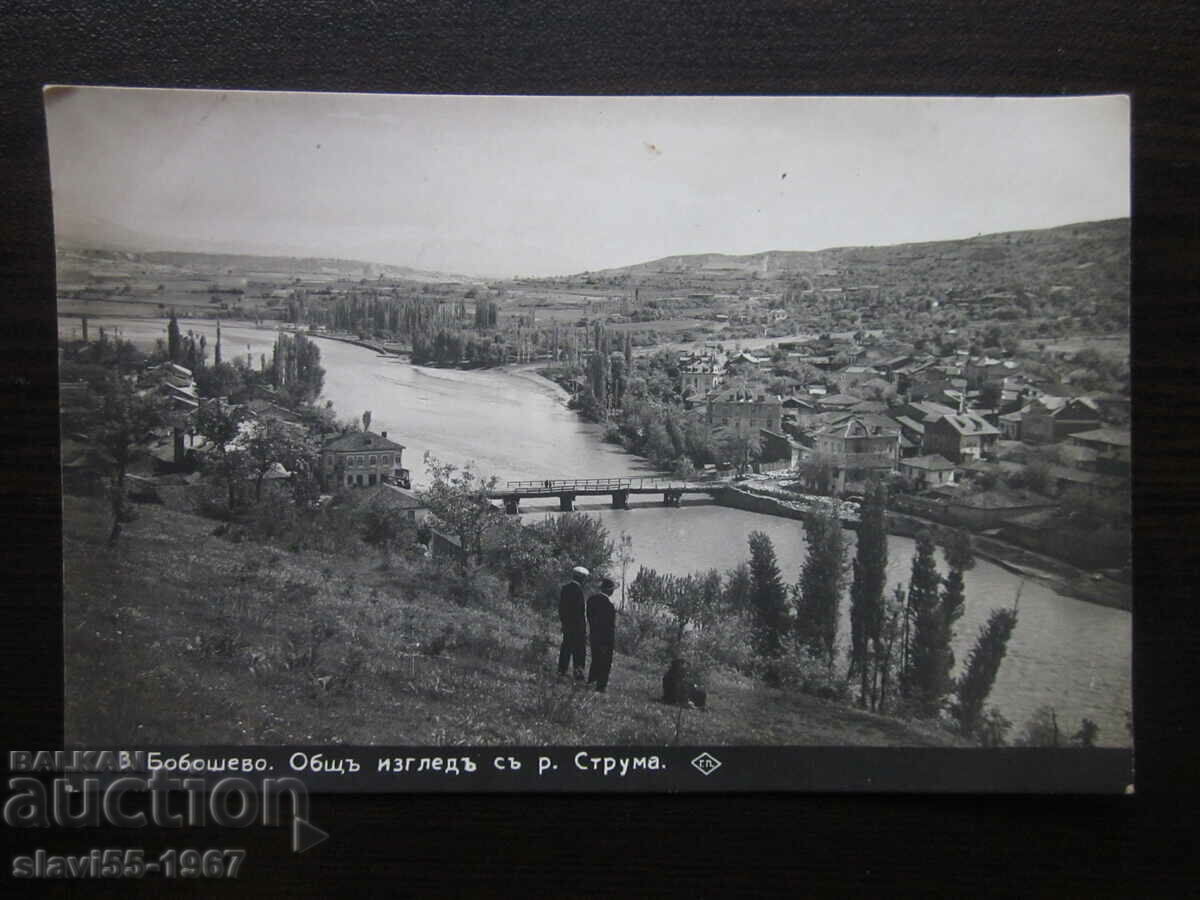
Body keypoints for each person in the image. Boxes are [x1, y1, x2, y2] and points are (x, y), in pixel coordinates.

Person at [586, 577, 617, 692]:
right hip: (605, 639)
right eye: (612, 589)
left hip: (594, 635)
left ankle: (591, 681)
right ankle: (600, 686)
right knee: (605, 663)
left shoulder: (591, 600)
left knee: (595, 660)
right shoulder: (609, 606)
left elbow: (590, 617)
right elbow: (609, 626)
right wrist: (610, 641)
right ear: (609, 590)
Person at [558, 565, 588, 680]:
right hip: (577, 627)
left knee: (566, 648)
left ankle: (561, 670)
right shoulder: (578, 591)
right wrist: (582, 628)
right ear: (581, 578)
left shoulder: (565, 588)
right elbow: (579, 612)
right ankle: (578, 673)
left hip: (567, 625)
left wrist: (564, 622)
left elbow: (561, 608)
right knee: (579, 651)